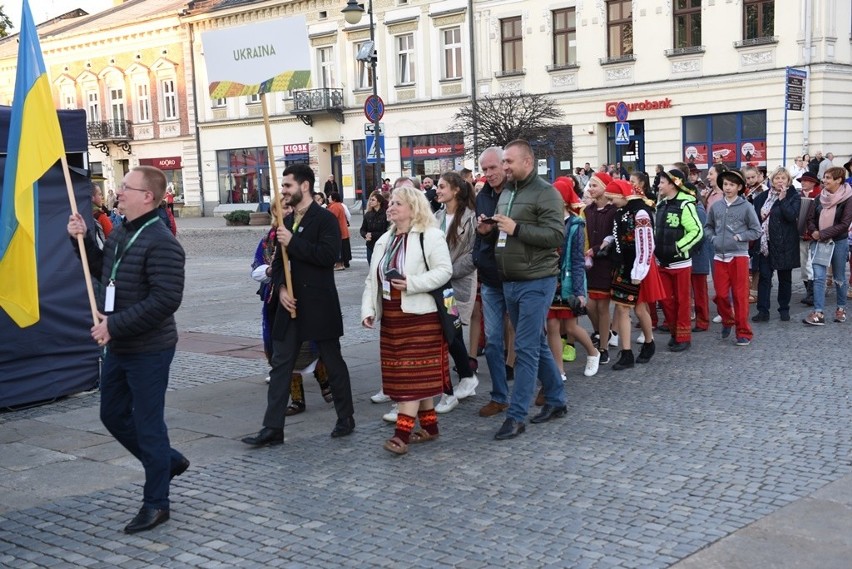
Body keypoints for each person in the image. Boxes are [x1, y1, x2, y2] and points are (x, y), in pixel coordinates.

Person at [66, 166, 188, 534]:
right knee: (113, 414)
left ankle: (156, 503)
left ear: (147, 196)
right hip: (120, 344)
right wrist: (83, 240)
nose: (118, 193)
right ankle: (166, 462)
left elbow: (166, 300)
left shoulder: (163, 241)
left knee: (149, 425)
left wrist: (113, 325)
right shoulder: (122, 230)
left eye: (126, 188)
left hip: (150, 348)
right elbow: (105, 269)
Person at [242, 164, 355, 446]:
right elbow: (278, 263)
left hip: (319, 303)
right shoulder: (286, 220)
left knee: (332, 361)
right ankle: (272, 428)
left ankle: (345, 418)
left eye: (287, 186)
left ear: (304, 186)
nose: (283, 191)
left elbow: (329, 256)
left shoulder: (324, 219)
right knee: (281, 365)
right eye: (283, 187)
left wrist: (293, 241)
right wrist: (279, 288)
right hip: (289, 304)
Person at [361, 186, 453, 455]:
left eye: (397, 203)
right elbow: (372, 279)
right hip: (392, 317)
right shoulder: (384, 240)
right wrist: (369, 310)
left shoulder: (431, 235)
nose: (390, 207)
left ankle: (401, 434)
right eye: (390, 203)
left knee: (410, 377)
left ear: (413, 208)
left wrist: (411, 283)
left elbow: (445, 272)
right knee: (410, 374)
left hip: (421, 316)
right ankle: (430, 426)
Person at [488, 139, 566, 440]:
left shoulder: (547, 193)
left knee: (524, 349)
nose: (504, 167)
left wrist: (516, 229)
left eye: (509, 162)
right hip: (510, 280)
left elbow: (554, 235)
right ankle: (557, 400)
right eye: (503, 162)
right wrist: (492, 228)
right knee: (535, 344)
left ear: (527, 162)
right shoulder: (507, 192)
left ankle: (517, 415)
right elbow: (507, 230)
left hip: (537, 280)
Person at [251, 199, 332, 414]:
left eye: (290, 207)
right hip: (276, 302)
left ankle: (325, 382)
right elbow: (256, 270)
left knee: (312, 345)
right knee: (284, 351)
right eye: (283, 208)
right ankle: (297, 399)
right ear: (274, 213)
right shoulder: (268, 240)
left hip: (305, 298)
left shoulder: (304, 232)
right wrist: (270, 272)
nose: (288, 211)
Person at [473, 147, 516, 417]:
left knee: (531, 338)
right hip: (490, 276)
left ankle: (550, 385)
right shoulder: (483, 196)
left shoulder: (519, 192)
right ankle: (499, 395)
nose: (488, 174)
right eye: (484, 169)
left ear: (505, 165)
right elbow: (483, 235)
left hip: (517, 275)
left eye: (492, 168)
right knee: (492, 341)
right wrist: (484, 233)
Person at [604, 179, 664, 369]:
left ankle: (649, 341)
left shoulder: (640, 213)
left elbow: (646, 244)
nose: (611, 202)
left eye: (613, 198)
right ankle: (627, 352)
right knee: (622, 308)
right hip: (623, 264)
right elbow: (618, 234)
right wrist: (608, 241)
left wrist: (639, 270)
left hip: (637, 265)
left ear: (623, 195)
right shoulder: (621, 212)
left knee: (639, 308)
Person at [433, 171, 479, 413]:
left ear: (455, 190)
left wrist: (446, 271)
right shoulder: (437, 216)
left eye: (442, 186)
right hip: (440, 284)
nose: (438, 190)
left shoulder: (471, 218)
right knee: (451, 332)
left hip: (458, 283)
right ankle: (466, 376)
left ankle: (466, 376)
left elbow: (473, 255)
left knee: (453, 331)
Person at [546, 177, 599, 381]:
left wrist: (579, 291)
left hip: (568, 281)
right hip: (550, 280)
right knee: (552, 326)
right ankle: (559, 370)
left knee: (570, 327)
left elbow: (577, 260)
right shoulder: (547, 220)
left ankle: (593, 352)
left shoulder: (576, 224)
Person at [704, 170, 762, 345]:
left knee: (740, 296)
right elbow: (708, 227)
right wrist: (713, 239)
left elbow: (756, 230)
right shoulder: (716, 207)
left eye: (731, 185)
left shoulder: (746, 207)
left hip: (739, 256)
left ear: (739, 187)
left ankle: (743, 332)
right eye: (725, 184)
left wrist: (740, 237)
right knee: (721, 295)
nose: (727, 188)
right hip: (719, 257)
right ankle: (728, 320)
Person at [654, 169, 703, 352]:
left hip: (680, 263)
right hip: (662, 262)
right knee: (666, 301)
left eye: (662, 182)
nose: (659, 185)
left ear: (673, 184)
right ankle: (675, 332)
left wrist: (678, 247)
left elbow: (696, 231)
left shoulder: (686, 205)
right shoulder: (661, 204)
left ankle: (683, 337)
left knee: (682, 301)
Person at [751, 167, 801, 322]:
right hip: (765, 244)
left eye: (783, 178)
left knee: (784, 278)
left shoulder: (793, 196)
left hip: (785, 244)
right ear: (772, 180)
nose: (780, 181)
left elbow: (791, 216)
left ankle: (784, 309)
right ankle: (763, 311)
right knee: (764, 277)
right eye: (777, 178)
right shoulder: (761, 197)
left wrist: (783, 199)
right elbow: (755, 218)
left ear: (788, 181)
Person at [803, 167, 852, 325]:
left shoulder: (848, 198)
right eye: (824, 177)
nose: (824, 181)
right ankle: (818, 313)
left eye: (828, 178)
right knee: (819, 277)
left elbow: (845, 224)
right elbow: (810, 218)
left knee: (839, 277)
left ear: (839, 180)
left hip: (838, 241)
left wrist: (823, 234)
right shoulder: (819, 197)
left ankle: (841, 309)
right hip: (819, 242)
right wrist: (815, 231)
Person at [582, 171, 617, 364]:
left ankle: (603, 347)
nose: (590, 189)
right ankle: (602, 332)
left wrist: (597, 249)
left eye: (594, 185)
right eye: (589, 186)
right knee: (589, 305)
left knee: (602, 306)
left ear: (605, 187)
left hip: (605, 262)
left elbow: (613, 236)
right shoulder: (588, 210)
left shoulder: (613, 211)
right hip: (589, 264)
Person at [797, 172, 822, 306]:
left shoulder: (819, 196)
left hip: (814, 235)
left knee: (811, 264)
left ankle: (813, 294)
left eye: (806, 181)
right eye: (802, 180)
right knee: (803, 264)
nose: (803, 183)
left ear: (813, 182)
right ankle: (809, 291)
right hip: (801, 235)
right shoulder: (799, 196)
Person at [360, 190, 389, 265]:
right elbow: (362, 229)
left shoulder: (385, 215)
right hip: (370, 245)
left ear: (379, 202)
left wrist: (372, 234)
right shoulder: (368, 215)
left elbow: (386, 232)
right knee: (371, 264)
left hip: (381, 245)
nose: (370, 202)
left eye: (373, 200)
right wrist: (365, 235)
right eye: (370, 200)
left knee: (380, 265)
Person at [327, 192, 351, 270]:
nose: (328, 198)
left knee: (338, 248)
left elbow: (331, 218)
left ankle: (339, 264)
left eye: (330, 197)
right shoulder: (339, 205)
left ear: (334, 198)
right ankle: (342, 264)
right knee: (342, 247)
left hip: (338, 230)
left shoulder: (334, 206)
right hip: (343, 229)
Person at [91, 184, 113, 249]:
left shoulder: (83, 215)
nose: (102, 197)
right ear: (92, 197)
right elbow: (112, 239)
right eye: (100, 194)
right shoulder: (101, 217)